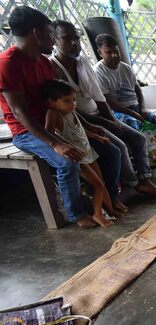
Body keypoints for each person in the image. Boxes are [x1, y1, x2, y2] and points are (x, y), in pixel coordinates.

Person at [0, 6, 96, 228]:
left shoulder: (43, 62)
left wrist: (86, 127)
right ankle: (76, 213)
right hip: (26, 132)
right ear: (36, 33)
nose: (53, 40)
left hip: (53, 123)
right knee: (66, 161)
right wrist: (55, 143)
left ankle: (100, 197)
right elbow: (18, 112)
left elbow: (58, 102)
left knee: (98, 147)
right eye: (50, 34)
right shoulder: (7, 63)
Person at [50, 21, 156, 197]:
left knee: (138, 138)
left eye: (77, 38)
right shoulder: (53, 67)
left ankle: (144, 180)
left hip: (99, 114)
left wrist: (112, 120)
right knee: (118, 146)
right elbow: (69, 109)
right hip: (80, 122)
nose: (75, 43)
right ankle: (131, 184)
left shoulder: (82, 61)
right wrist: (106, 122)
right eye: (68, 39)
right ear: (54, 40)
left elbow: (99, 97)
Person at [42, 79, 121, 227]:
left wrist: (97, 137)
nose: (72, 104)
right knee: (97, 185)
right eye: (67, 101)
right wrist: (64, 145)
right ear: (52, 101)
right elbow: (49, 133)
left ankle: (109, 210)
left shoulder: (71, 112)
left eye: (74, 100)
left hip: (87, 152)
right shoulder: (53, 113)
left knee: (101, 183)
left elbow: (80, 131)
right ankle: (98, 214)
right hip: (77, 157)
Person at [93, 34, 156, 137]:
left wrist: (142, 108)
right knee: (136, 127)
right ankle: (146, 152)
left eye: (116, 51)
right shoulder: (98, 71)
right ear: (100, 52)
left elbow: (138, 89)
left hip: (136, 107)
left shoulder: (126, 68)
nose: (114, 55)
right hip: (118, 112)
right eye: (109, 52)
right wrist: (132, 113)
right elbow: (108, 102)